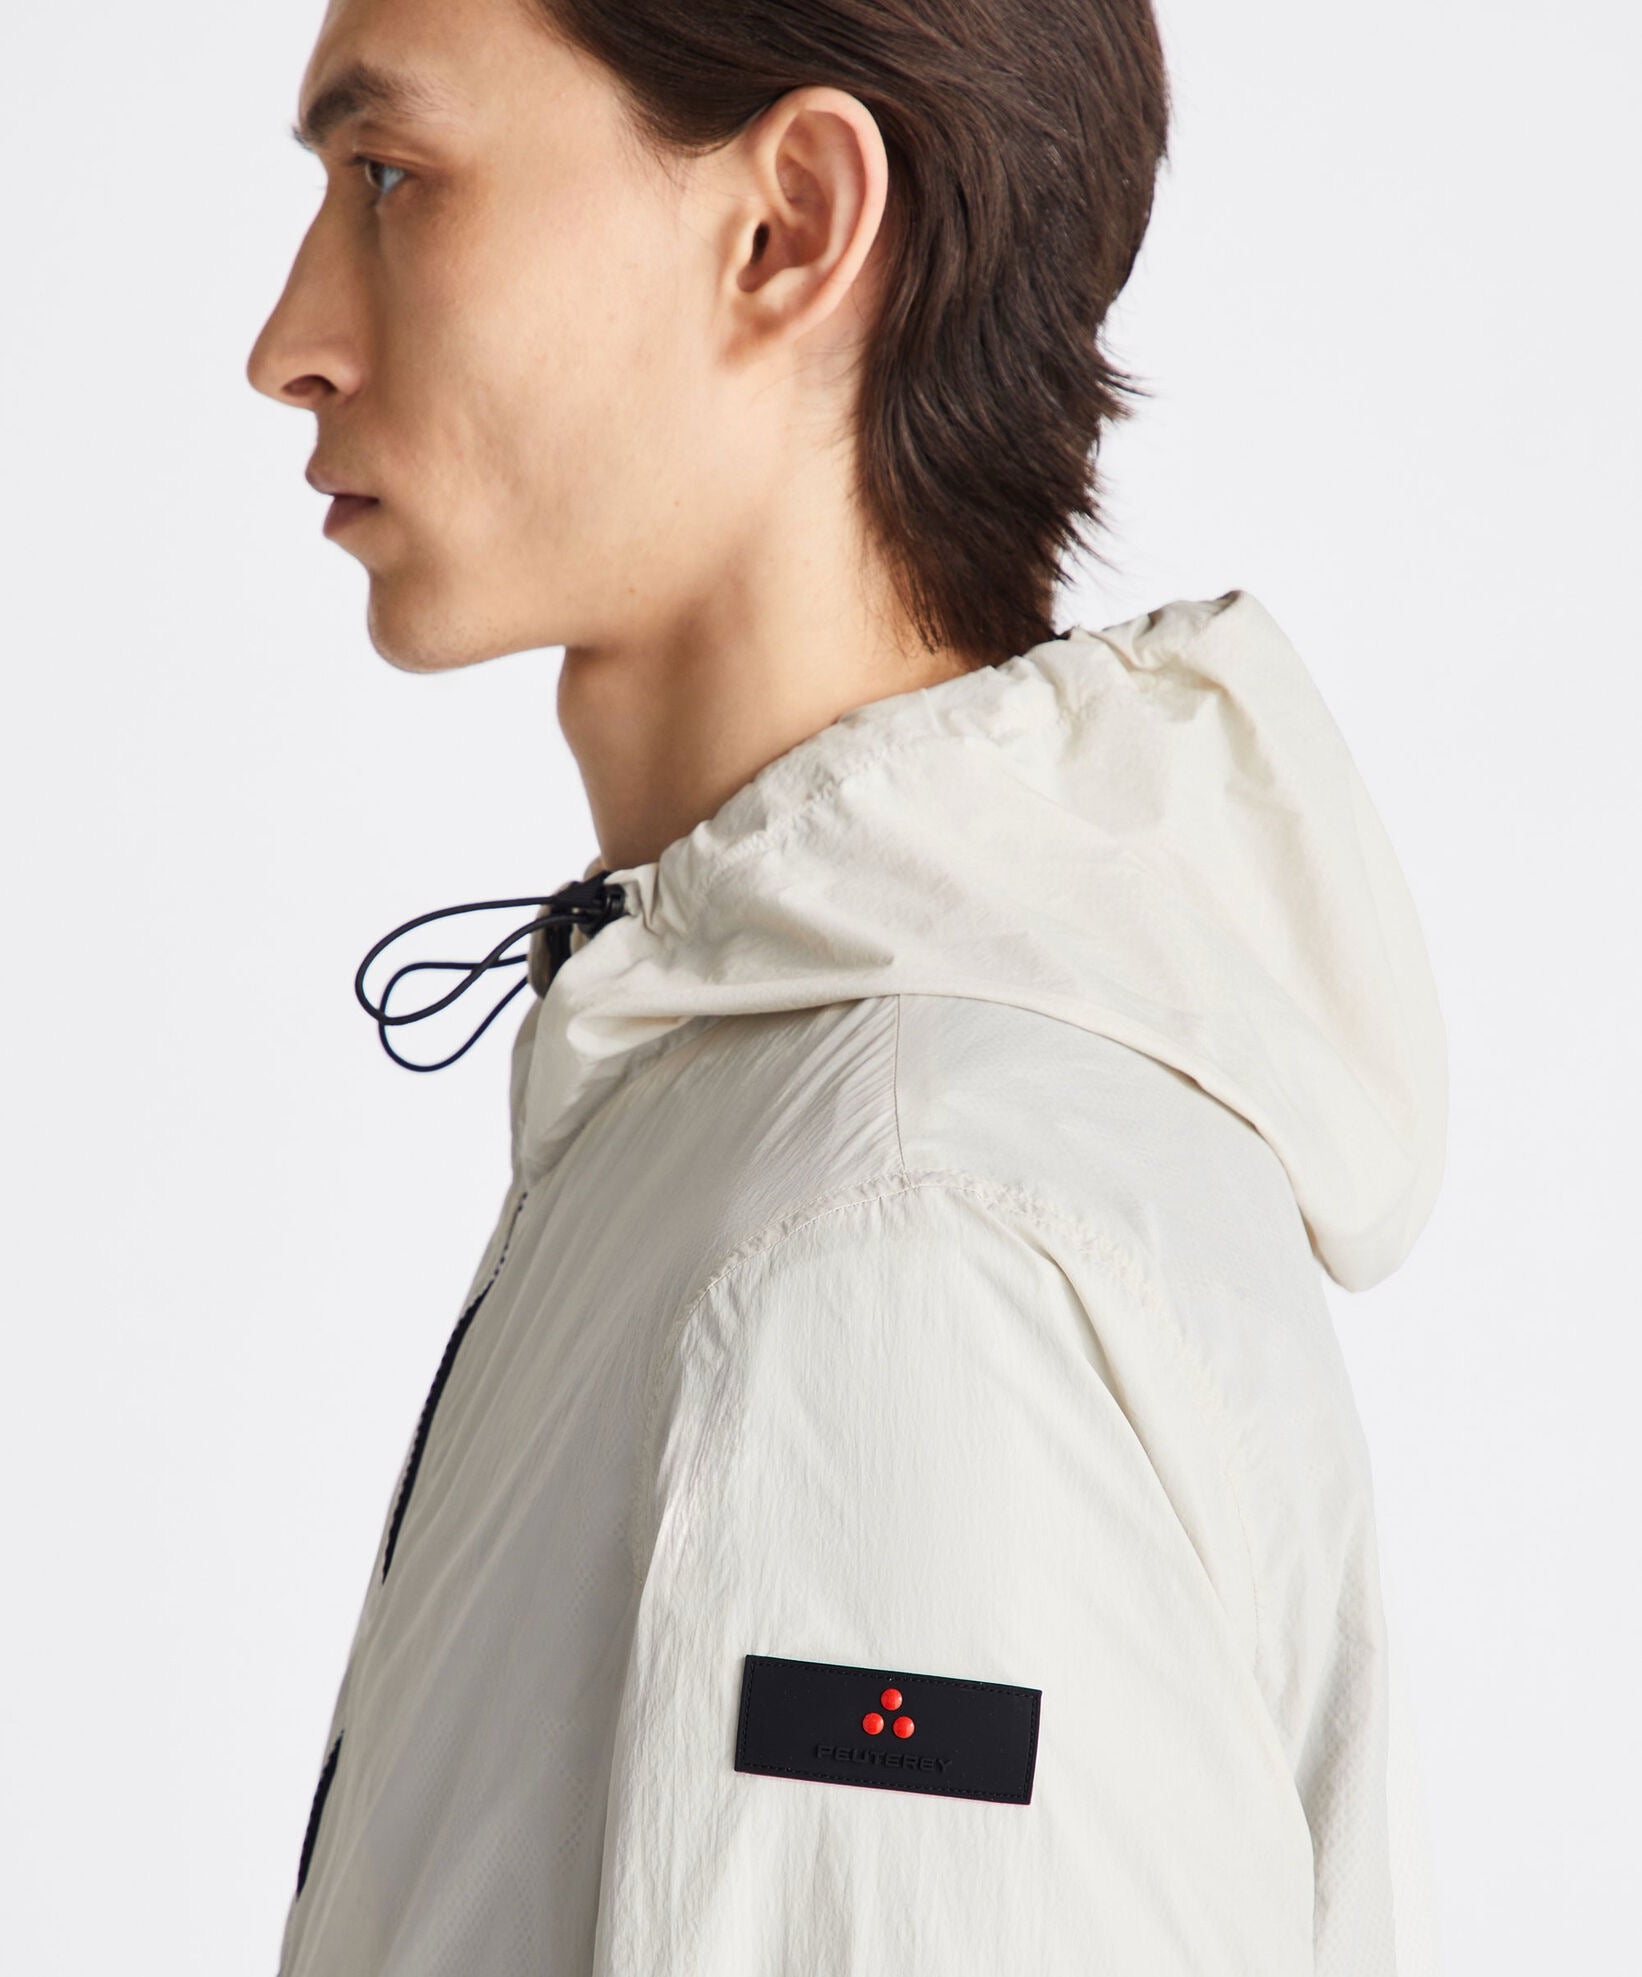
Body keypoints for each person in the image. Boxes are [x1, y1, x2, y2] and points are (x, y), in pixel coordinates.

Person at [247, 0, 1449, 1970]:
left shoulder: (895, 1243)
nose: (288, 339)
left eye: (392, 177)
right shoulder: (783, 1123)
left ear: (787, 224)